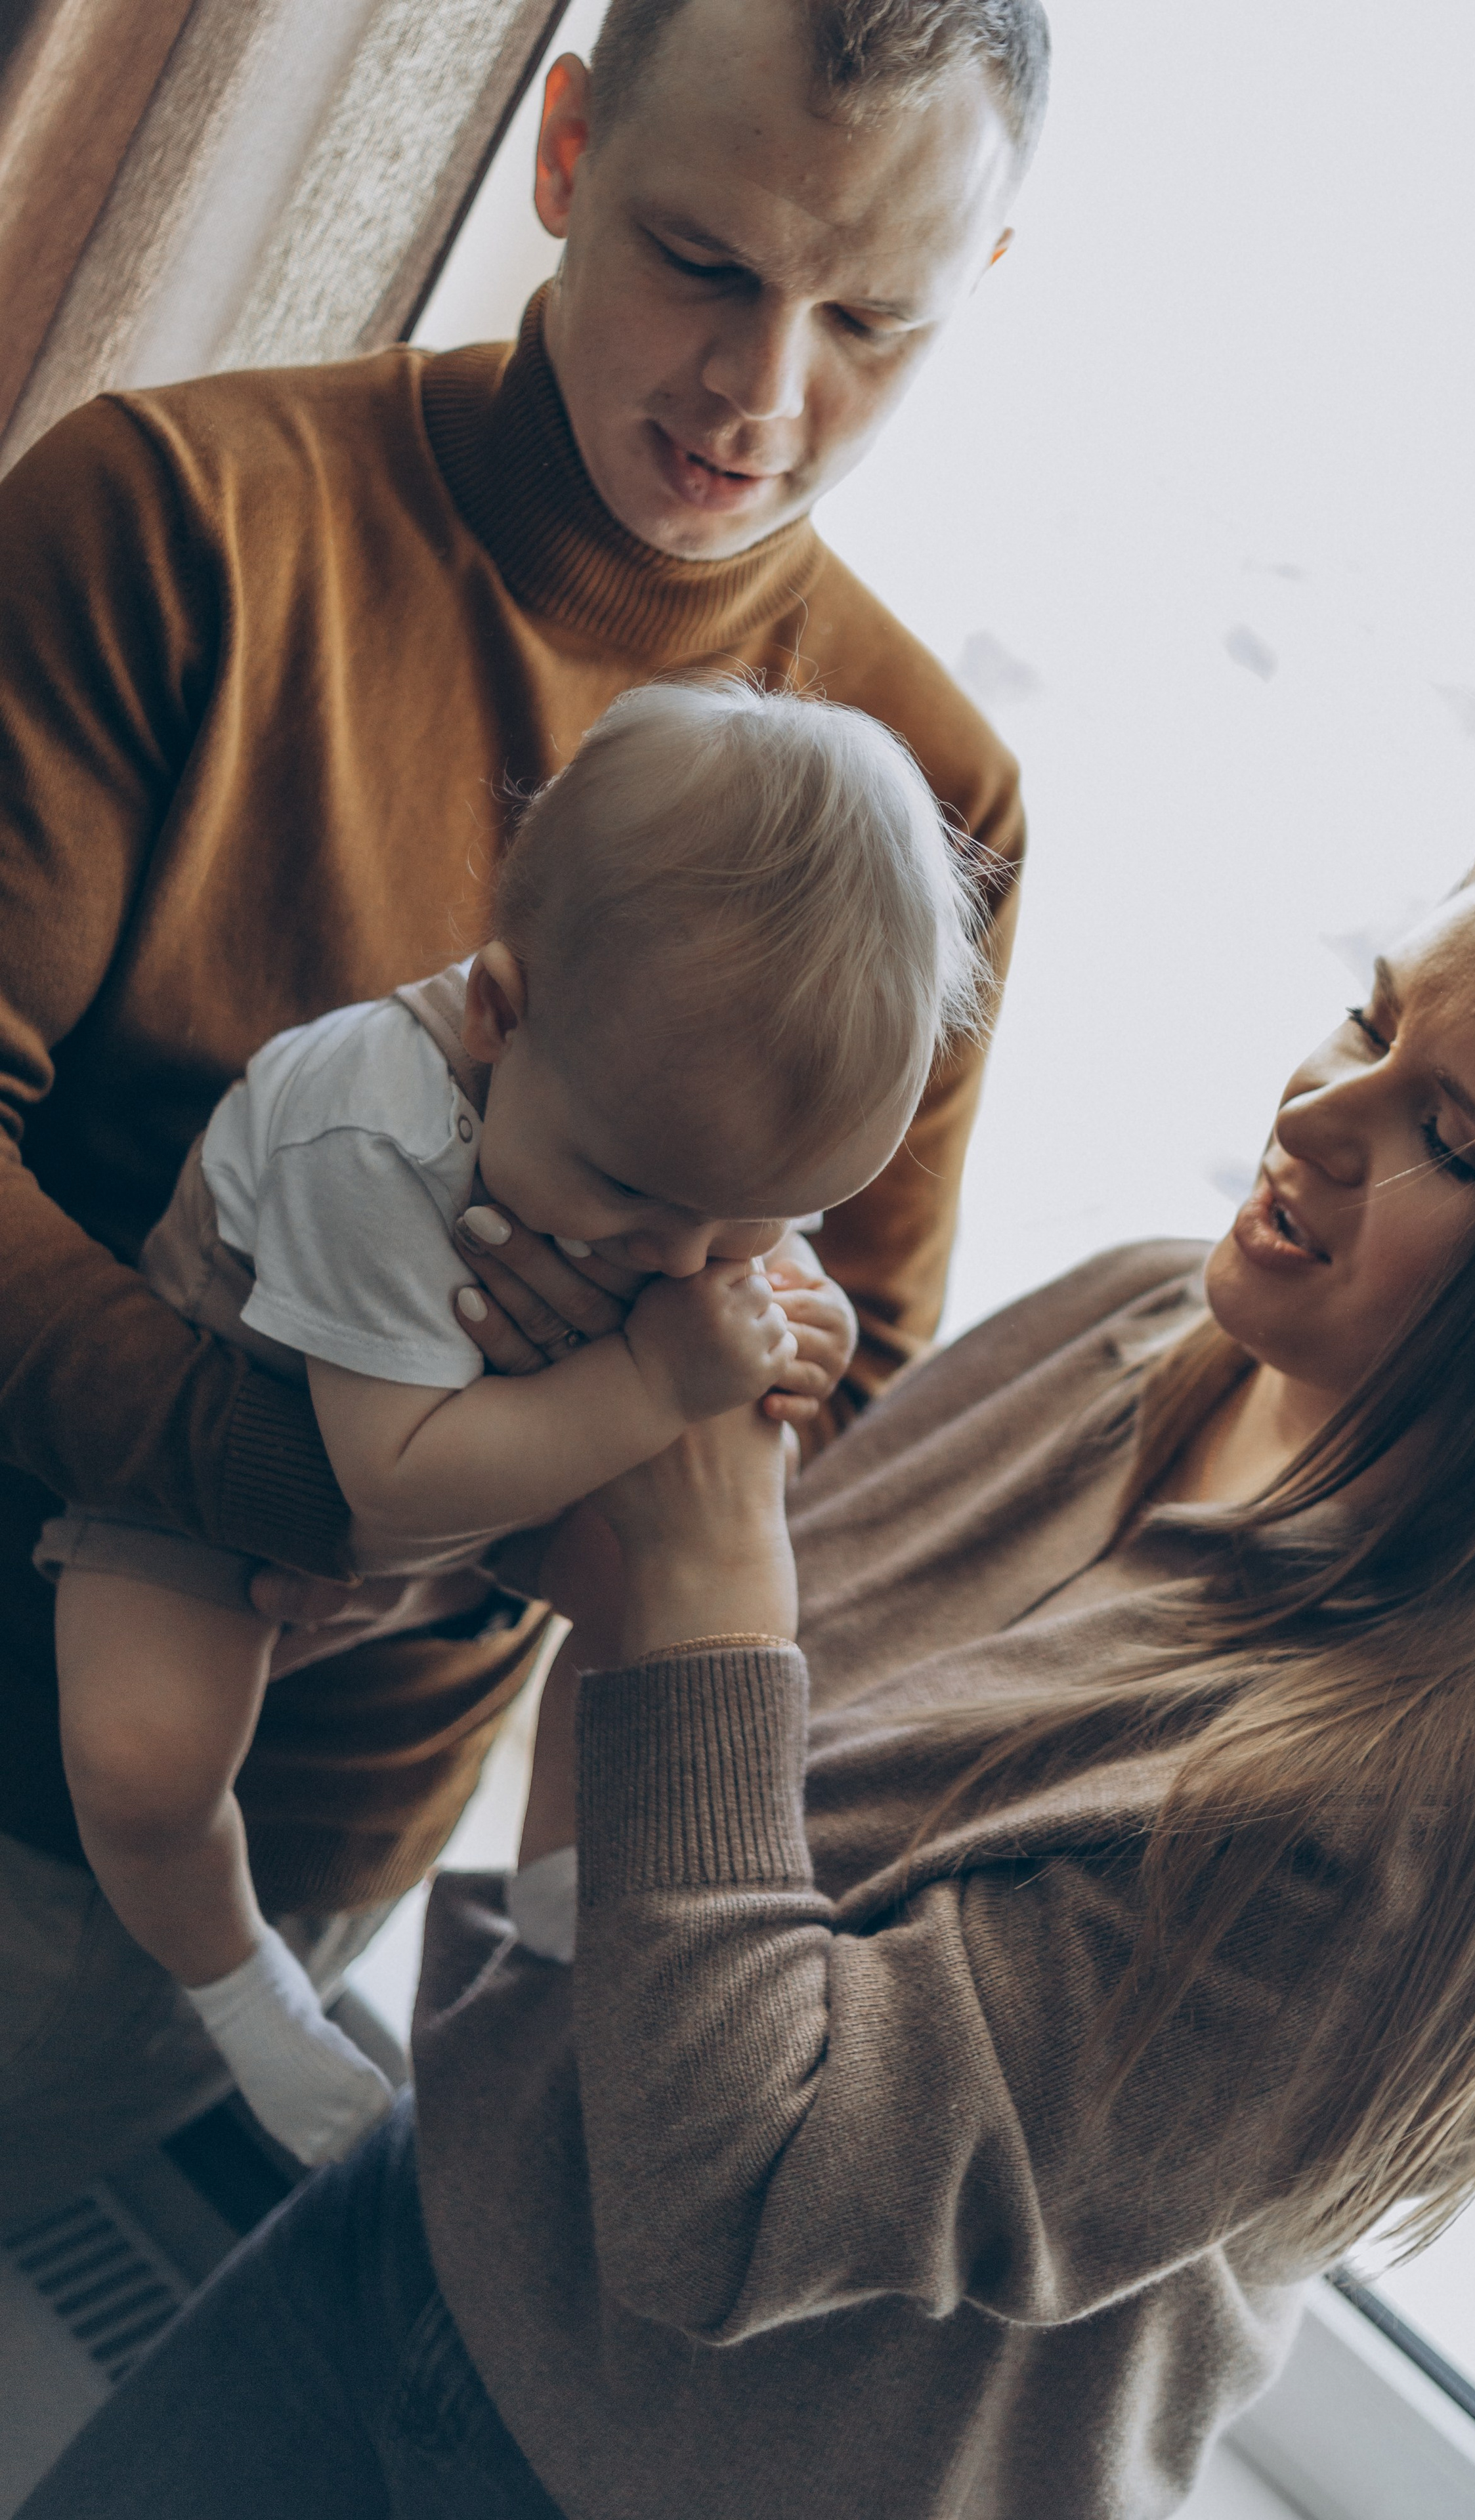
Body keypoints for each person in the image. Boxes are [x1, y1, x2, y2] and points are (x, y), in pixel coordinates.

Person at [24, 814, 1475, 2519]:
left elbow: (726, 2204)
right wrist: (465, 1539)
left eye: (1451, 1144)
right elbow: (734, 1733)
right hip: (441, 2214)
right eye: (1370, 1022)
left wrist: (707, 1553)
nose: (1317, 1120)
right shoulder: (1147, 1322)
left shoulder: (1422, 1813)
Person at [0, 0, 1048, 2209]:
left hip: (275, 1849)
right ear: (562, 151)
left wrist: (492, 1511)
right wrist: (291, 1469)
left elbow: (823, 1421)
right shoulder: (172, 518)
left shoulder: (930, 797)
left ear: (986, 296)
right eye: (705, 260)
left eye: (870, 317)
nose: (763, 396)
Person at [36, 677, 983, 2166]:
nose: (684, 1258)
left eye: (764, 1215)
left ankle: (562, 1888)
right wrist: (658, 1383)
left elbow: (776, 1289)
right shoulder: (373, 1129)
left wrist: (808, 1322)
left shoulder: (674, 1145)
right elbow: (388, 1489)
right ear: (495, 1011)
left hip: (495, 1440)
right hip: (238, 1432)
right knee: (143, 1757)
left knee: (655, 1595)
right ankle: (235, 1982)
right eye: (633, 1197)